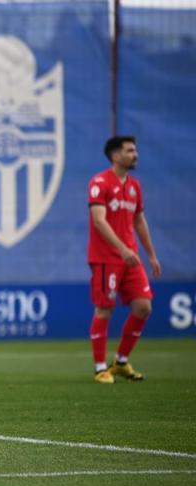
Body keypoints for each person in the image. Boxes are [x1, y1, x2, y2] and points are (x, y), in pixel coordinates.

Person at [87, 136, 160, 384]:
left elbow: (139, 220)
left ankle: (120, 362)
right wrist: (121, 249)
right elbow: (99, 220)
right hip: (107, 257)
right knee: (105, 308)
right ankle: (99, 369)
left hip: (131, 257)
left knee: (144, 307)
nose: (135, 154)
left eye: (135, 150)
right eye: (130, 150)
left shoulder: (134, 186)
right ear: (116, 156)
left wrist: (150, 254)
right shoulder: (99, 182)